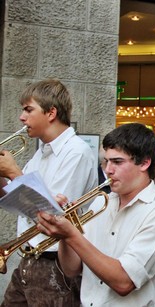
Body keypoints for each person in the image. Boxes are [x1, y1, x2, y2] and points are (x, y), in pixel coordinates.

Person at [36, 123, 155, 306]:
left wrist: (72, 235)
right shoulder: (100, 202)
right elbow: (70, 269)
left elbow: (124, 282)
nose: (108, 170)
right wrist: (66, 234)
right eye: (106, 161)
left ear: (144, 163)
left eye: (117, 162)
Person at [0, 79, 98, 306]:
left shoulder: (77, 152)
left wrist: (14, 171)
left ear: (51, 112)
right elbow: (18, 199)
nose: (21, 118)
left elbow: (53, 216)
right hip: (29, 258)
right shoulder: (41, 153)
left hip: (55, 263)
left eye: (28, 109)